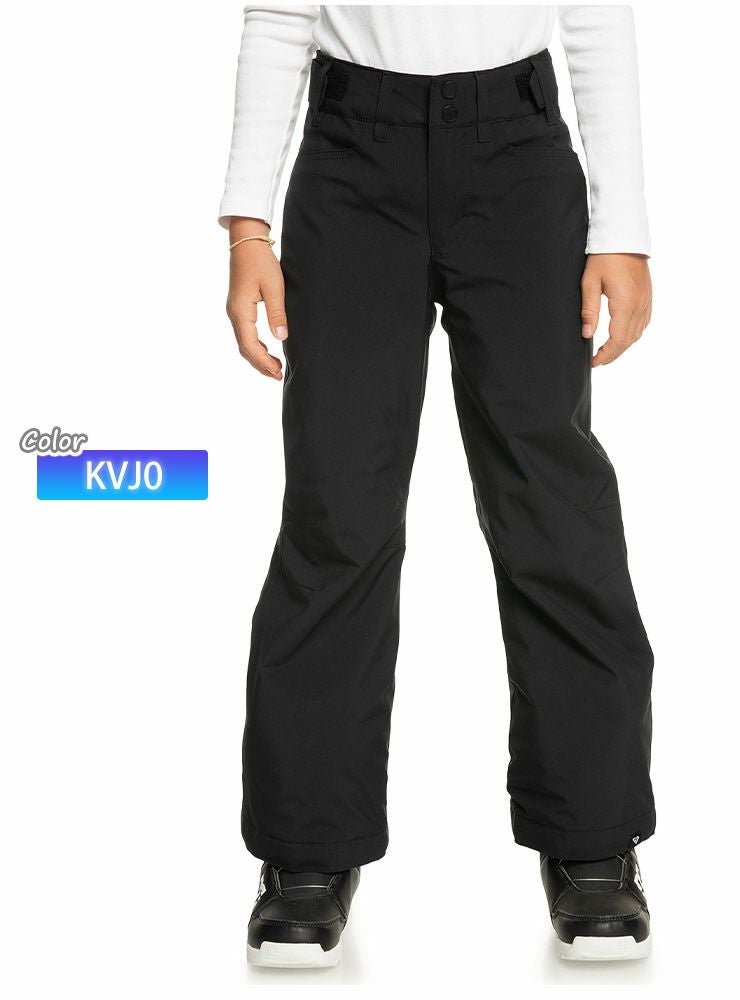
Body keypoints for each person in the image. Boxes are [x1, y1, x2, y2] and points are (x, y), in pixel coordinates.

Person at [219, 4, 655, 968]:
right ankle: (306, 850)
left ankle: (593, 838)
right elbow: (281, 13)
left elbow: (595, 13)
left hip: (519, 160)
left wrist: (622, 227)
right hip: (350, 162)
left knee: (552, 503)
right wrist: (248, 227)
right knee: (337, 504)